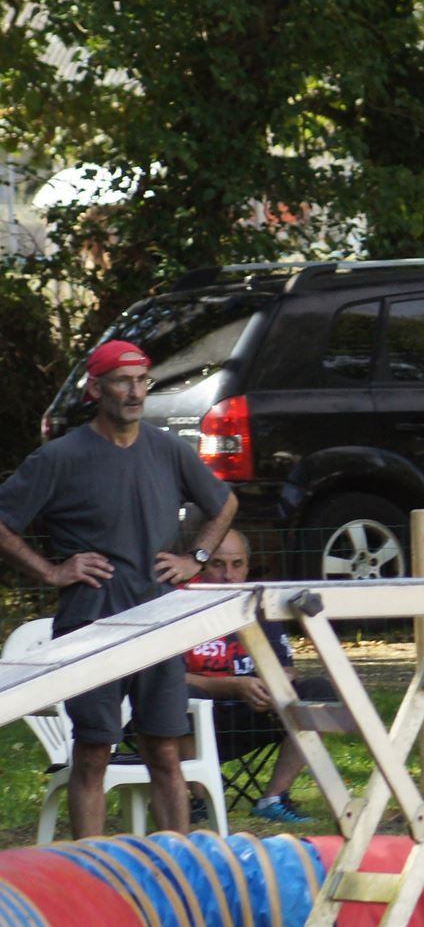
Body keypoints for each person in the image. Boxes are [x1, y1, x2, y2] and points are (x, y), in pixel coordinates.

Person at [0, 340, 238, 838]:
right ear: (95, 388)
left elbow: (224, 503)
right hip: (91, 621)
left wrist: (194, 558)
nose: (135, 392)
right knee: (93, 753)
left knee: (166, 750)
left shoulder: (167, 448)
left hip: (158, 620)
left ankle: (177, 861)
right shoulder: (60, 457)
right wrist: (51, 572)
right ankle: (93, 871)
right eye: (123, 381)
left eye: (142, 381)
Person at [183, 528, 334, 824]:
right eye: (218, 564)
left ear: (248, 566)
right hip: (195, 717)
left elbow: (287, 669)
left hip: (254, 713)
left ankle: (273, 798)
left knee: (319, 691)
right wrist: (232, 685)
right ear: (201, 566)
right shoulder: (179, 606)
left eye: (237, 565)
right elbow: (165, 679)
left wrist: (273, 685)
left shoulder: (262, 607)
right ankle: (200, 802)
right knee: (173, 697)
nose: (229, 575)